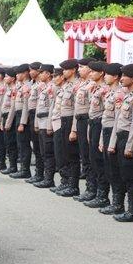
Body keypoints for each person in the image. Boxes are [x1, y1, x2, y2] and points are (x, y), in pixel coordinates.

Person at [108, 64, 133, 222]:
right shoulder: (127, 96)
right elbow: (118, 121)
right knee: (123, 174)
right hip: (121, 137)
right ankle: (123, 207)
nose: (121, 78)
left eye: (125, 76)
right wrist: (113, 143)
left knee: (131, 177)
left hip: (130, 139)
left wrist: (129, 147)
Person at [98, 63, 126, 215]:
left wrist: (112, 142)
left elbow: (117, 120)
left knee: (115, 170)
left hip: (114, 133)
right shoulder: (110, 93)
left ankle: (118, 203)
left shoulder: (120, 95)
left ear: (115, 76)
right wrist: (103, 139)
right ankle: (111, 200)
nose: (105, 76)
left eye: (108, 74)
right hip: (106, 131)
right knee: (108, 169)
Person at [84, 61, 110, 208]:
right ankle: (93, 190)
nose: (91, 73)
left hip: (100, 123)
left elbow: (107, 111)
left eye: (94, 72)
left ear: (101, 73)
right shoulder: (94, 88)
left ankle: (102, 195)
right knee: (93, 159)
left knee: (99, 161)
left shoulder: (105, 90)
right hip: (93, 123)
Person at [70, 58, 96, 202]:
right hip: (80, 120)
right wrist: (74, 128)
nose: (79, 69)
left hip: (88, 121)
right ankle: (89, 188)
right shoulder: (81, 85)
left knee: (89, 157)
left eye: (82, 67)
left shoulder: (93, 86)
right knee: (84, 157)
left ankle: (92, 189)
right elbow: (76, 109)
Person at [57, 59, 81, 197]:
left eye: (66, 69)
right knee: (64, 153)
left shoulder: (76, 86)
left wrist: (74, 129)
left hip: (72, 120)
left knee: (72, 155)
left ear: (73, 70)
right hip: (63, 120)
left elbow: (77, 110)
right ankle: (66, 182)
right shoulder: (66, 85)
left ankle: (74, 186)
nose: (64, 72)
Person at [7, 64, 33, 179]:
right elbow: (14, 105)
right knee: (19, 144)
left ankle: (25, 170)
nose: (17, 75)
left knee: (24, 144)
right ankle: (22, 168)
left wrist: (22, 123)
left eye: (19, 73)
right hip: (18, 115)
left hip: (24, 116)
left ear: (26, 73)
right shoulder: (19, 87)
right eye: (16, 73)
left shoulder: (29, 86)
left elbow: (26, 106)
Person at [33, 65, 56, 188]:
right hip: (41, 122)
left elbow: (53, 107)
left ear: (48, 74)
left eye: (42, 73)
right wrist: (36, 123)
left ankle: (49, 179)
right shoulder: (44, 88)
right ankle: (42, 176)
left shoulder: (52, 88)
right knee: (42, 152)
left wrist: (49, 125)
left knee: (48, 152)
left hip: (47, 122)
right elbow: (38, 107)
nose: (40, 75)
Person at [50, 68, 69, 194]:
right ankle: (64, 181)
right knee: (59, 154)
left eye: (56, 76)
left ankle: (68, 183)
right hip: (57, 123)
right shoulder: (61, 89)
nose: (54, 78)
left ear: (62, 77)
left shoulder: (70, 88)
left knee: (65, 155)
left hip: (65, 123)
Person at [26, 62, 45, 184]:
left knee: (41, 147)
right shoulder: (32, 84)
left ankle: (42, 174)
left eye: (33, 70)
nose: (30, 72)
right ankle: (38, 173)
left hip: (40, 116)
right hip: (32, 115)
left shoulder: (42, 86)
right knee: (36, 147)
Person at [0, 68, 18, 175]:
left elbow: (13, 107)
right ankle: (10, 165)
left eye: (7, 76)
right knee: (7, 143)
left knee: (11, 143)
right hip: (5, 116)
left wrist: (8, 122)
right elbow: (2, 107)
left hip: (11, 118)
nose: (5, 78)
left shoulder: (14, 89)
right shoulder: (8, 89)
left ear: (13, 78)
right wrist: (0, 121)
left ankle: (13, 166)